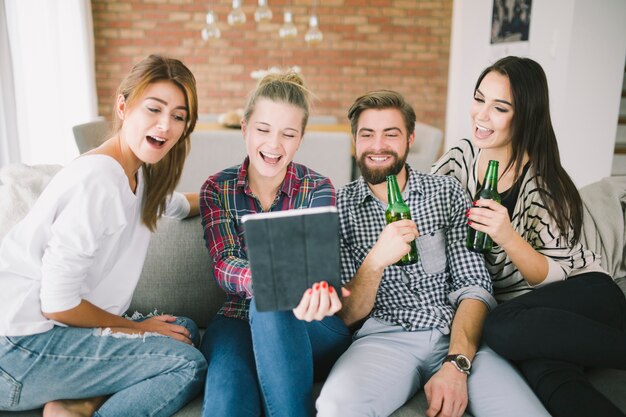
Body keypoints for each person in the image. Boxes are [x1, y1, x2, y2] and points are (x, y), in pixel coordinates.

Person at [316, 90, 550, 417]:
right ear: (354, 140)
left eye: (391, 133)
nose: (378, 145)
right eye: (367, 134)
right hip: (383, 339)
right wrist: (376, 260)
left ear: (410, 137)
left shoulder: (445, 192)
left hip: (458, 335)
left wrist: (457, 362)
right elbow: (347, 315)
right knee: (335, 408)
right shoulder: (336, 207)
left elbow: (474, 285)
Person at [0, 54, 207, 417]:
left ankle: (77, 404)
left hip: (46, 336)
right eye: (154, 109)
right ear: (123, 107)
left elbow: (173, 205)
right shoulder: (97, 182)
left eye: (178, 116)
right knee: (186, 362)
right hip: (19, 351)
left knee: (182, 329)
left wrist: (237, 192)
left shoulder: (136, 174)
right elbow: (58, 303)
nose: (165, 125)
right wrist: (135, 328)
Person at [431, 55, 626, 417]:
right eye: (479, 99)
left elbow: (553, 275)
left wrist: (507, 236)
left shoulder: (542, 182)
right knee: (548, 377)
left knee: (500, 328)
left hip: (585, 297)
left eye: (499, 107)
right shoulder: (461, 157)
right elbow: (424, 201)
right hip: (535, 324)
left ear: (524, 116)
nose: (481, 115)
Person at [199, 71, 352, 417]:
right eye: (263, 129)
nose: (273, 144)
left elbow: (320, 268)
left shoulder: (318, 188)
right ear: (245, 129)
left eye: (288, 134)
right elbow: (223, 263)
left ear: (300, 140)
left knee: (271, 305)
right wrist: (267, 281)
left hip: (310, 322)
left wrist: (310, 289)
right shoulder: (217, 189)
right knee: (227, 401)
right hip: (236, 319)